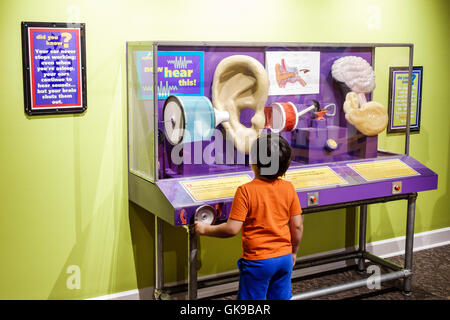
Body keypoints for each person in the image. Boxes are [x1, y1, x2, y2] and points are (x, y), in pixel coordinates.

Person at [195, 133, 303, 300]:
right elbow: (297, 226)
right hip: (284, 259)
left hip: (258, 261)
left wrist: (205, 229)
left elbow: (232, 229)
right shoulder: (289, 188)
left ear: (253, 162)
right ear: (285, 165)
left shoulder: (245, 191)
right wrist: (294, 252)